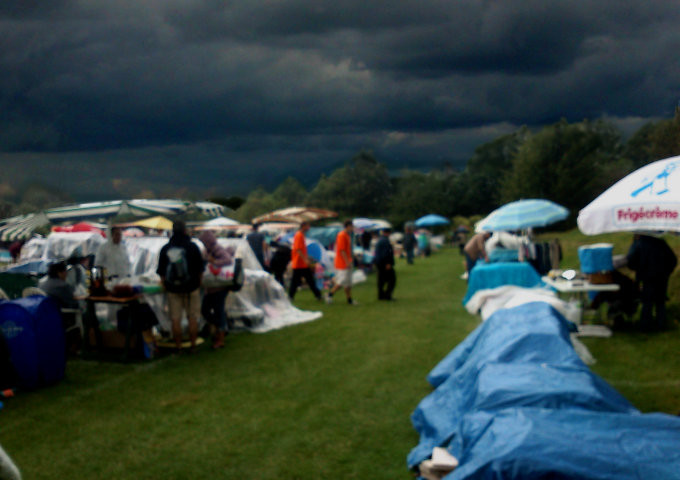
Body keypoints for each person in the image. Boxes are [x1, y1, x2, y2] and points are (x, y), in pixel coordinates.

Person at [157, 221, 204, 353]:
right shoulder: (193, 247)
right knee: (192, 318)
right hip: (192, 287)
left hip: (173, 289)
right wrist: (198, 284)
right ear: (185, 230)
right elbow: (200, 269)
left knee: (175, 319)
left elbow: (161, 272)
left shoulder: (165, 248)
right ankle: (193, 345)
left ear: (172, 231)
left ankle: (178, 347)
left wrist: (166, 285)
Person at [626, 234, 677, 331]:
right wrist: (667, 271)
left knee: (647, 302)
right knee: (660, 301)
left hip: (647, 277)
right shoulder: (661, 242)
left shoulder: (639, 243)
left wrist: (638, 269)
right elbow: (673, 260)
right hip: (662, 276)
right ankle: (661, 325)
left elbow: (630, 261)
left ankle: (645, 326)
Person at [198, 230, 233, 349]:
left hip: (219, 287)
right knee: (206, 310)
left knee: (218, 312)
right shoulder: (208, 250)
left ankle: (220, 337)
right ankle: (221, 328)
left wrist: (214, 262)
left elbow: (228, 260)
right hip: (211, 287)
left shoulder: (216, 249)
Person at [288, 221, 322, 301]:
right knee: (303, 280)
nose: (309, 228)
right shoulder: (299, 235)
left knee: (305, 279)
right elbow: (298, 250)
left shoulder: (301, 235)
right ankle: (317, 295)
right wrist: (305, 259)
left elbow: (301, 249)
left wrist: (306, 258)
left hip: (301, 263)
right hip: (299, 262)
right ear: (303, 226)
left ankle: (317, 295)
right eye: (307, 226)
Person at [326, 220, 356, 305]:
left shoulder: (347, 235)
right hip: (342, 263)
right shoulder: (341, 235)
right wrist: (347, 262)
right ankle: (329, 294)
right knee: (341, 281)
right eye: (351, 226)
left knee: (348, 283)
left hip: (348, 261)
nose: (352, 228)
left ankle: (349, 299)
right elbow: (342, 250)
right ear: (348, 226)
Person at [374, 227, 396, 300]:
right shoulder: (385, 241)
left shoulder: (380, 240)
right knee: (392, 279)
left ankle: (380, 295)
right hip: (384, 263)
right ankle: (387, 295)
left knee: (381, 280)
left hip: (378, 262)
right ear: (388, 233)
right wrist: (388, 263)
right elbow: (386, 253)